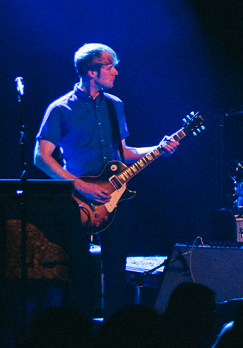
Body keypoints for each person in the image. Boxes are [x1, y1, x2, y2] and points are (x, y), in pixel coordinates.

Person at [34, 43, 179, 316]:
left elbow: (124, 152)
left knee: (116, 271)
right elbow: (41, 157)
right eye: (109, 65)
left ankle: (115, 331)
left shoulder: (115, 105)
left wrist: (159, 149)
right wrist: (80, 185)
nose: (116, 71)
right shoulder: (61, 108)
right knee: (77, 270)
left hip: (114, 200)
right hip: (77, 201)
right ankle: (77, 331)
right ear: (91, 71)